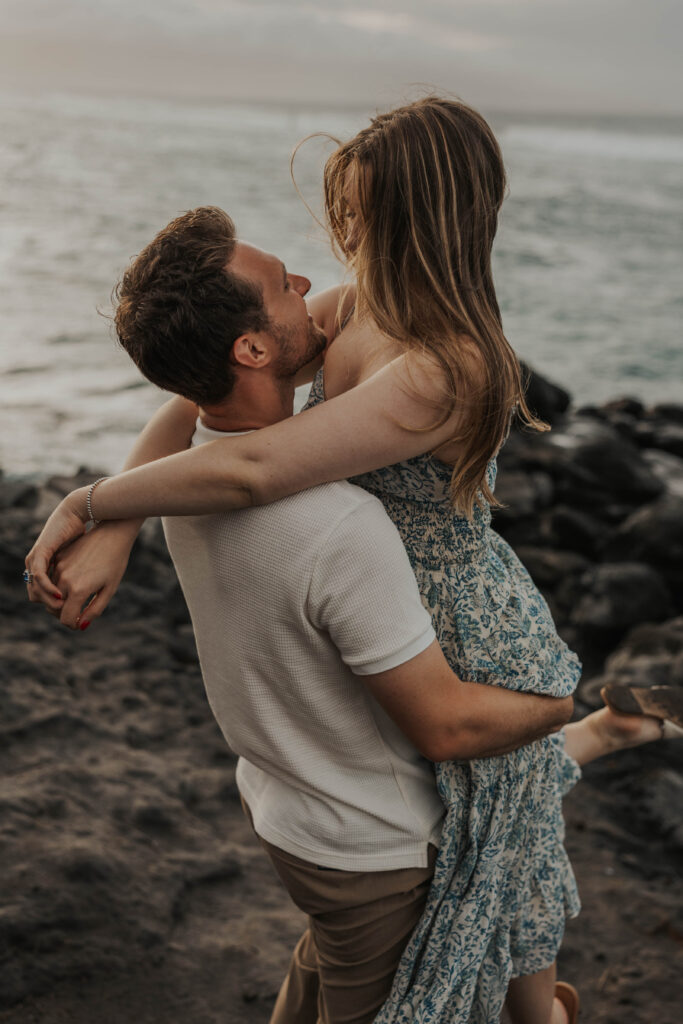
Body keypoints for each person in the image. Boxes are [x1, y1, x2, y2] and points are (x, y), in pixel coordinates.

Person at [25, 101, 665, 1024]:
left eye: (359, 211)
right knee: (489, 862)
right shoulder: (357, 300)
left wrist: (87, 502)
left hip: (459, 610)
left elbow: (254, 466)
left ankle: (549, 988)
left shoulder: (444, 365)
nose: (340, 234)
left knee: (503, 867)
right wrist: (123, 521)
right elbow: (199, 405)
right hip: (371, 593)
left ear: (420, 215)